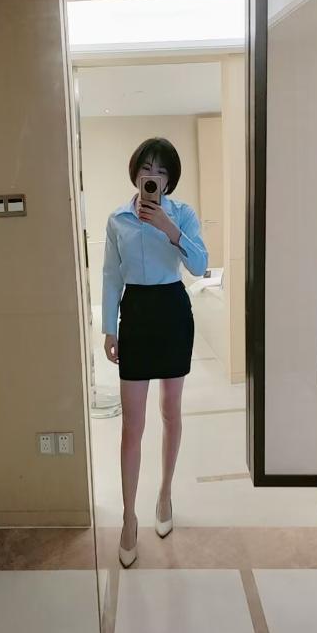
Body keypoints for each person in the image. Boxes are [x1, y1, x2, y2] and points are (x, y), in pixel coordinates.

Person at [101, 137, 208, 568]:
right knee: (132, 424)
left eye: (162, 171)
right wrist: (109, 328)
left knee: (170, 411)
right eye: (147, 168)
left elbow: (200, 265)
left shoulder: (183, 215)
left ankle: (164, 493)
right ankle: (129, 517)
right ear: (136, 172)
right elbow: (111, 276)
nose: (153, 176)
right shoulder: (118, 219)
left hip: (172, 311)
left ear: (169, 179)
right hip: (137, 315)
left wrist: (169, 227)